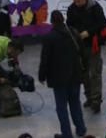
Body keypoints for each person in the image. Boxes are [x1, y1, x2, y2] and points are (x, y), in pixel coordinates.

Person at [38, 10, 87, 138]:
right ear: (63, 19)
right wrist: (84, 70)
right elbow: (82, 53)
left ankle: (66, 134)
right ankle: (81, 129)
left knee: (61, 107)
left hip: (58, 78)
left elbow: (45, 59)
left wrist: (41, 75)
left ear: (52, 22)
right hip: (75, 75)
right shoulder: (74, 33)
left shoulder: (49, 38)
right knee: (75, 103)